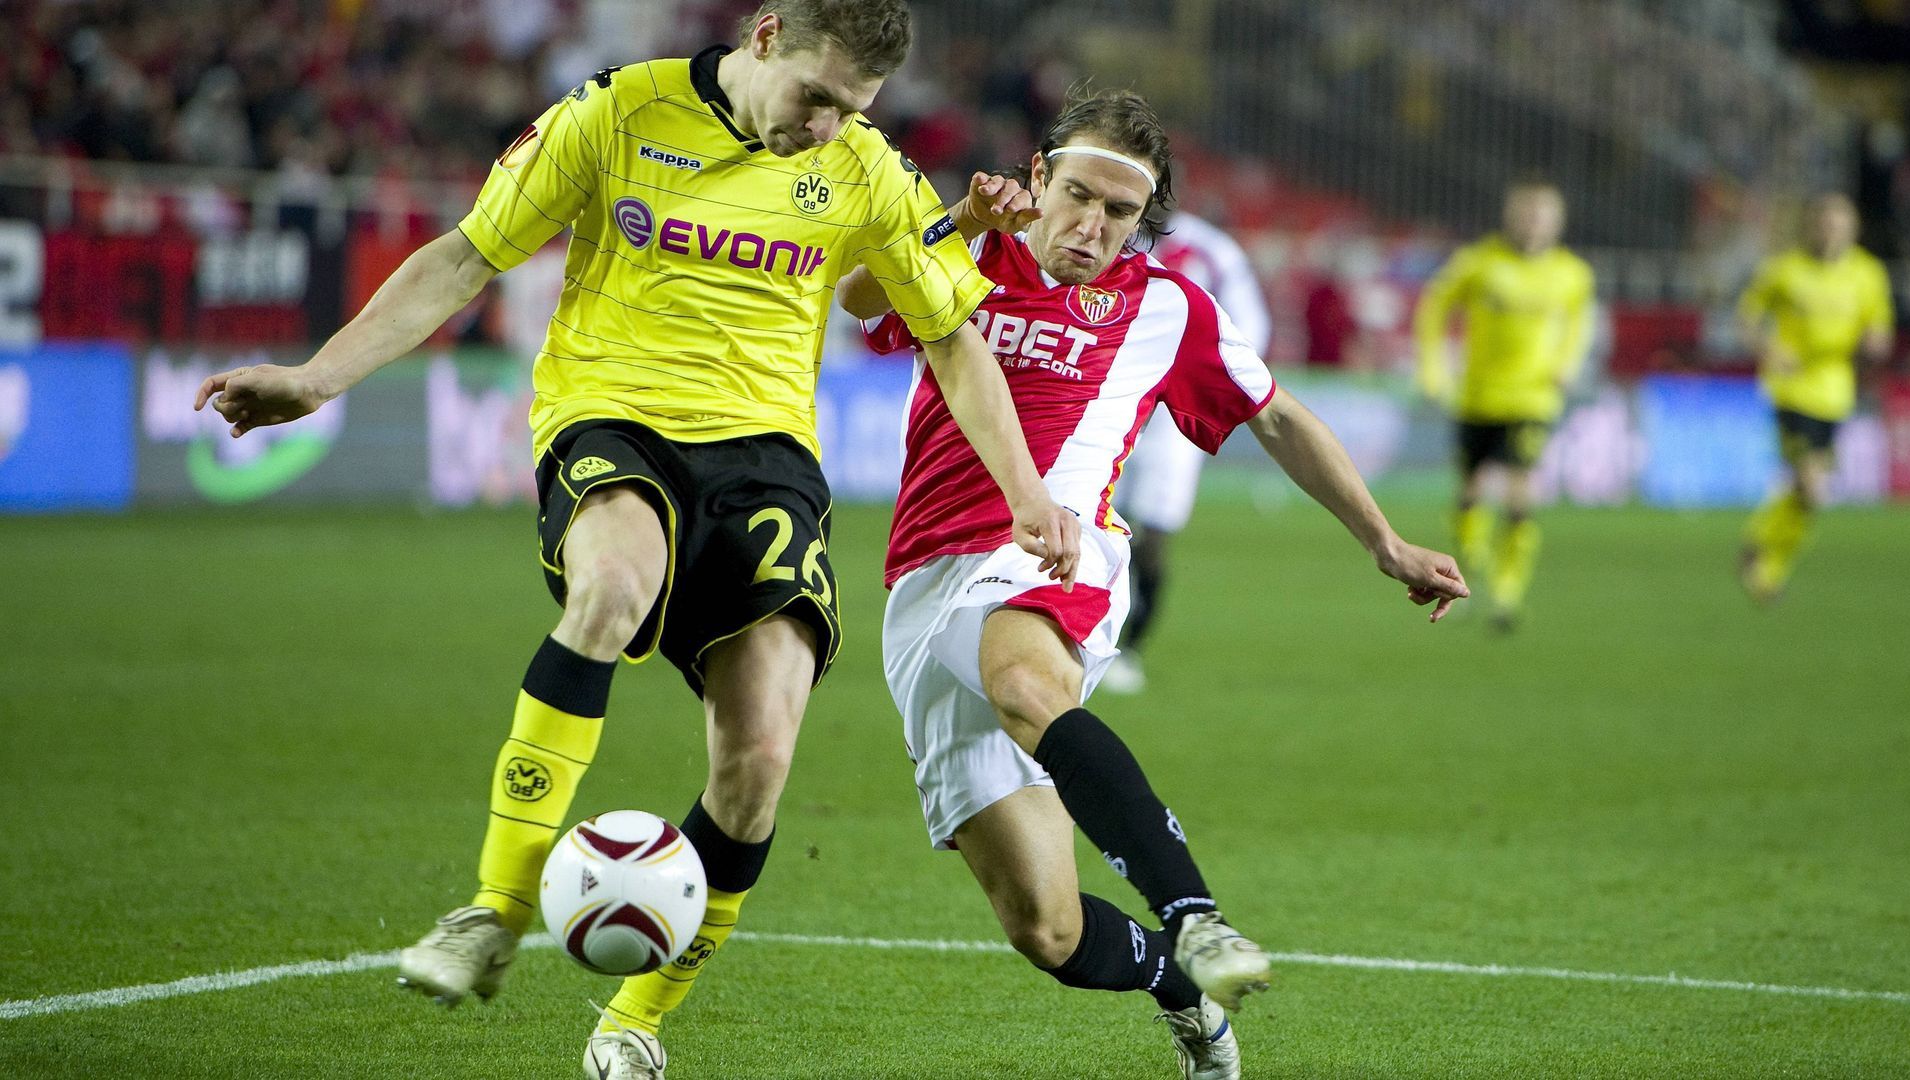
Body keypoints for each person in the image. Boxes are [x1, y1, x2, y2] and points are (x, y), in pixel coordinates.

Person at [194, 4, 1082, 1078]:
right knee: (611, 589)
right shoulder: (619, 112)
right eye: (816, 96)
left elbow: (951, 340)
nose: (825, 126)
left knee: (758, 759)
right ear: (764, 38)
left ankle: (633, 1022)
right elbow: (468, 255)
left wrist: (1027, 493)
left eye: (851, 110)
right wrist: (316, 377)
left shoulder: (864, 170)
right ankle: (495, 907)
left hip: (764, 460)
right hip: (612, 421)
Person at [839, 90, 1469, 1079]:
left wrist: (1384, 541)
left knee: (1020, 680)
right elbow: (860, 301)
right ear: (1038, 178)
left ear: (1146, 219)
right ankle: (1182, 991)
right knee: (1044, 931)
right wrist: (958, 218)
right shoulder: (966, 256)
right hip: (922, 586)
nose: (1092, 227)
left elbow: (1277, 418)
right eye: (1077, 196)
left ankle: (1196, 916)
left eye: (1119, 212)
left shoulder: (1166, 307)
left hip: (1058, 552)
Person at [1104, 207, 1273, 694]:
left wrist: (1206, 385)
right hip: (1110, 398)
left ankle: (1129, 648)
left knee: (1152, 534)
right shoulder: (1105, 233)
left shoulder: (1210, 249)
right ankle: (1081, 633)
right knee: (1087, 518)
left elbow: (1252, 327)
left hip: (1172, 416)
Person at [1414, 181, 1593, 631]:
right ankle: (1471, 563)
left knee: (1518, 493)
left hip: (1533, 398)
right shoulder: (1479, 264)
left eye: (1543, 214)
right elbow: (1435, 307)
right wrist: (1434, 367)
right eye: (1527, 213)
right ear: (1510, 215)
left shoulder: (1571, 274)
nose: (1534, 222)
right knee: (1471, 493)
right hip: (1477, 396)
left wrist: (1568, 363)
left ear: (1558, 222)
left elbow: (1580, 323)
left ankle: (1508, 591)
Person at [1736, 193, 1894, 602]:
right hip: (1791, 391)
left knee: (1811, 495)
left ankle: (1763, 552)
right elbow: (1746, 316)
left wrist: (1876, 341)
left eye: (1840, 225)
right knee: (1812, 485)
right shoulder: (1785, 270)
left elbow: (1879, 327)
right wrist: (1768, 348)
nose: (1831, 233)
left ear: (1853, 229)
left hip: (1836, 393)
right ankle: (1764, 558)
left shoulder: (1867, 274)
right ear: (1810, 226)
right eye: (1824, 224)